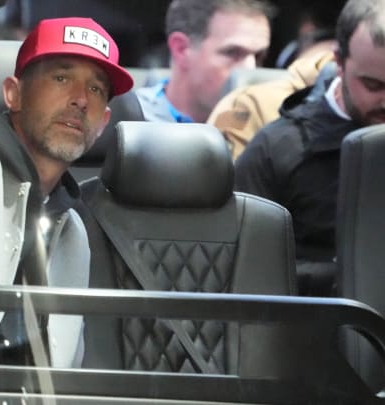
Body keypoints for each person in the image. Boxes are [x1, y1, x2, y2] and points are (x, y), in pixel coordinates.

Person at [0, 17, 133, 367]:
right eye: (61, 78)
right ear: (12, 94)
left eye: (95, 89)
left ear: (104, 121)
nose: (80, 100)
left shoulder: (73, 233)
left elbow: (59, 379)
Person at [234, 0, 385, 296]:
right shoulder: (277, 150)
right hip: (314, 331)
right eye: (373, 85)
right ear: (339, 63)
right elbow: (243, 271)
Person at [135, 0, 274, 124]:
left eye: (259, 57)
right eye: (232, 53)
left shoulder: (267, 129)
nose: (250, 70)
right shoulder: (129, 123)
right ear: (181, 49)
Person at [207, 48, 335, 159]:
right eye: (231, 52)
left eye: (259, 56)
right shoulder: (248, 104)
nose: (249, 65)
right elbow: (226, 182)